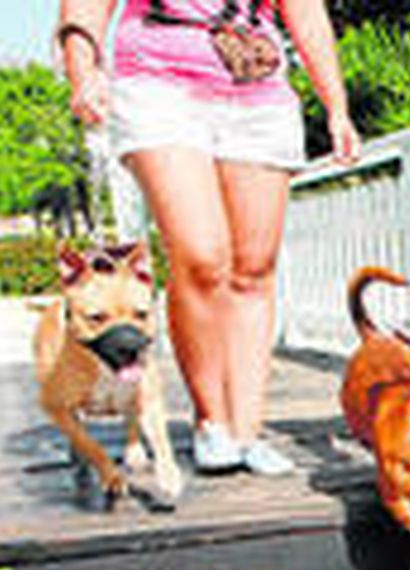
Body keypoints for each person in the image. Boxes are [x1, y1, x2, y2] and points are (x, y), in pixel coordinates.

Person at [56, 0, 359, 477]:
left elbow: (305, 11)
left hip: (257, 85)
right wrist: (82, 69)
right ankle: (212, 420)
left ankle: (246, 430)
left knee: (254, 267)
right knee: (201, 255)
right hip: (157, 83)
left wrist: (336, 106)